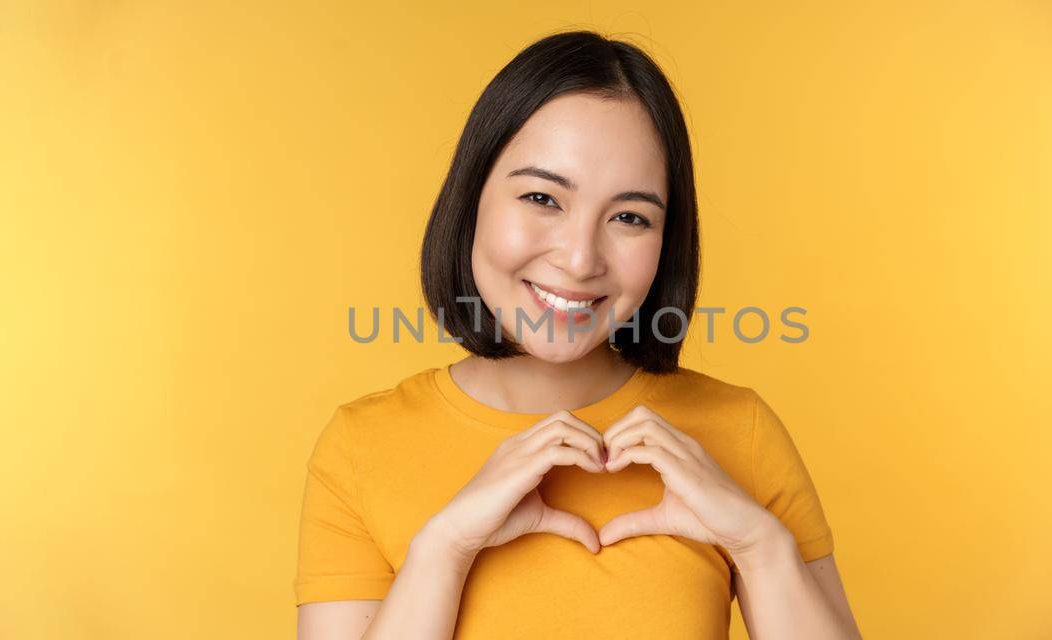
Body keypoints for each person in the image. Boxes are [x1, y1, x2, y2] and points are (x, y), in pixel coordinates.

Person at [295, 30, 863, 639]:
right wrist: (443, 548)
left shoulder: (738, 433)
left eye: (629, 217)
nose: (579, 258)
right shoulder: (361, 447)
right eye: (542, 197)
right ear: (472, 200)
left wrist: (760, 547)